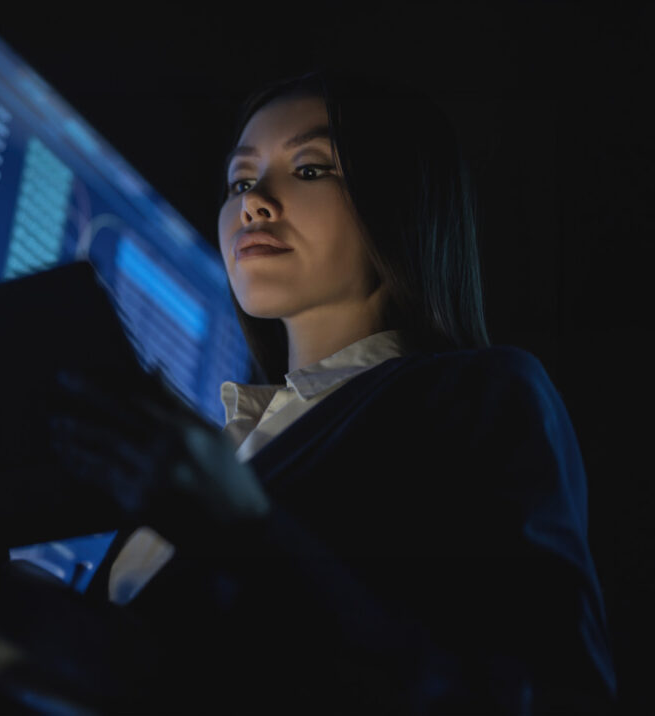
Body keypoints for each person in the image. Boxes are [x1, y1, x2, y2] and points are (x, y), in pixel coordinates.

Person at [51, 69, 617, 713]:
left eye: (311, 169)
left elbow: (539, 698)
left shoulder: (482, 396)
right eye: (240, 180)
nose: (253, 203)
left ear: (403, 200)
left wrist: (246, 534)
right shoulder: (233, 441)